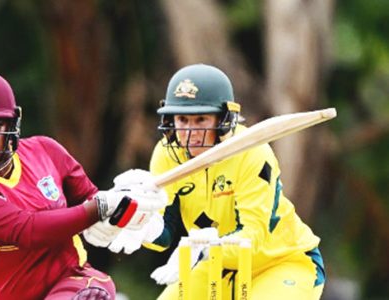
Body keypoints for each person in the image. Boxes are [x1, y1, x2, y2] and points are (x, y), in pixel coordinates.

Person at [89, 64, 326, 299]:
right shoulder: (166, 155)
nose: (190, 132)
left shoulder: (253, 154)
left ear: (224, 119)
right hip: (216, 264)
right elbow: (166, 232)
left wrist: (207, 248)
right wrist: (146, 227)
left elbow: (253, 237)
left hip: (280, 262)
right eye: (182, 119)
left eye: (201, 119)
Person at [0, 70, 167, 300]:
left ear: (13, 122)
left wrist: (125, 208)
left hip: (75, 282)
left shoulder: (46, 151)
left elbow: (91, 199)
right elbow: (26, 230)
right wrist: (100, 207)